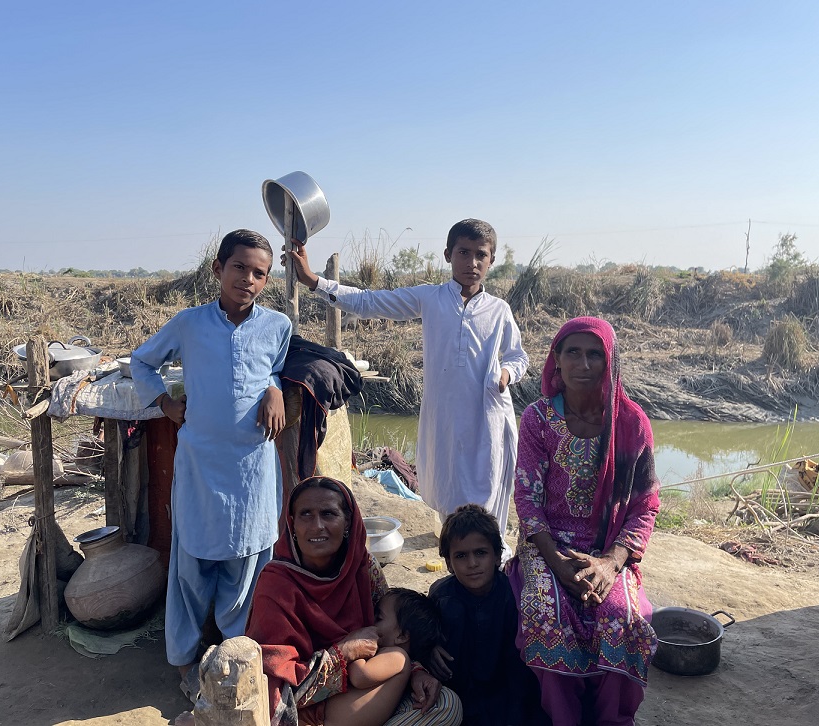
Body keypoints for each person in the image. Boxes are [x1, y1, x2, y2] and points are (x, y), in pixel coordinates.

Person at [288, 219, 529, 551]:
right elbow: (369, 301)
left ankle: (484, 555)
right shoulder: (430, 299)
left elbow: (518, 356)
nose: (471, 263)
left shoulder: (499, 310)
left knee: (485, 485)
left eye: (480, 255)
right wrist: (315, 281)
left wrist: (506, 374)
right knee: (445, 484)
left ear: (492, 260)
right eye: (463, 252)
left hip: (486, 414)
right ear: (448, 254)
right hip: (443, 415)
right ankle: (456, 549)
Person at [130, 229, 291, 694]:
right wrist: (163, 403)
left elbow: (275, 365)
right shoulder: (188, 324)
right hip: (201, 463)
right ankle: (185, 662)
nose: (248, 279)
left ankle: (234, 657)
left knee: (247, 562)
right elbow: (142, 363)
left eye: (259, 273)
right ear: (218, 269)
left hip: (253, 464)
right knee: (192, 564)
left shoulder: (277, 326)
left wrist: (275, 389)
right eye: (239, 267)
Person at [508, 316, 660, 726]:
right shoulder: (538, 419)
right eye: (572, 351)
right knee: (547, 613)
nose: (583, 363)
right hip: (548, 545)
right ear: (556, 358)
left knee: (623, 619)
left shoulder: (631, 424)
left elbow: (644, 506)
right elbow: (527, 500)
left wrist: (611, 564)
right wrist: (558, 564)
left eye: (595, 354)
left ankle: (611, 719)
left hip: (609, 548)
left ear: (609, 362)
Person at [245, 476, 462, 726]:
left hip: (362, 694)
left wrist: (416, 671)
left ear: (347, 521)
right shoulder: (276, 585)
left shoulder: (363, 567)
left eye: (328, 514)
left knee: (447, 704)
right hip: (305, 710)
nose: (317, 526)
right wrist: (343, 653)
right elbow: (273, 686)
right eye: (306, 514)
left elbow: (391, 631)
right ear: (292, 524)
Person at [428, 504, 544, 726]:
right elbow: (418, 628)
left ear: (498, 556)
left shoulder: (513, 594)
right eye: (461, 556)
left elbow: (518, 668)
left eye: (480, 553)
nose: (472, 564)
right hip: (460, 693)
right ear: (449, 564)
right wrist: (429, 645)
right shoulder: (441, 597)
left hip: (508, 690)